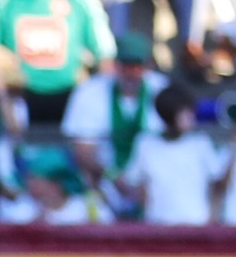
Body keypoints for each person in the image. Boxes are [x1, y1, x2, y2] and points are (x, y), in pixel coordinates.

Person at [63, 31, 167, 185]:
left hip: (155, 182)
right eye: (126, 65)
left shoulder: (163, 89)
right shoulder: (89, 92)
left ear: (149, 66)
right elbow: (82, 149)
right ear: (115, 65)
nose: (131, 72)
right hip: (104, 183)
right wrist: (111, 176)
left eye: (137, 66)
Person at [118, 84, 219, 224]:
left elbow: (217, 183)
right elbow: (132, 181)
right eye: (185, 112)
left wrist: (212, 217)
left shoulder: (201, 143)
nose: (191, 116)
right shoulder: (146, 144)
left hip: (197, 225)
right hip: (159, 225)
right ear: (170, 114)